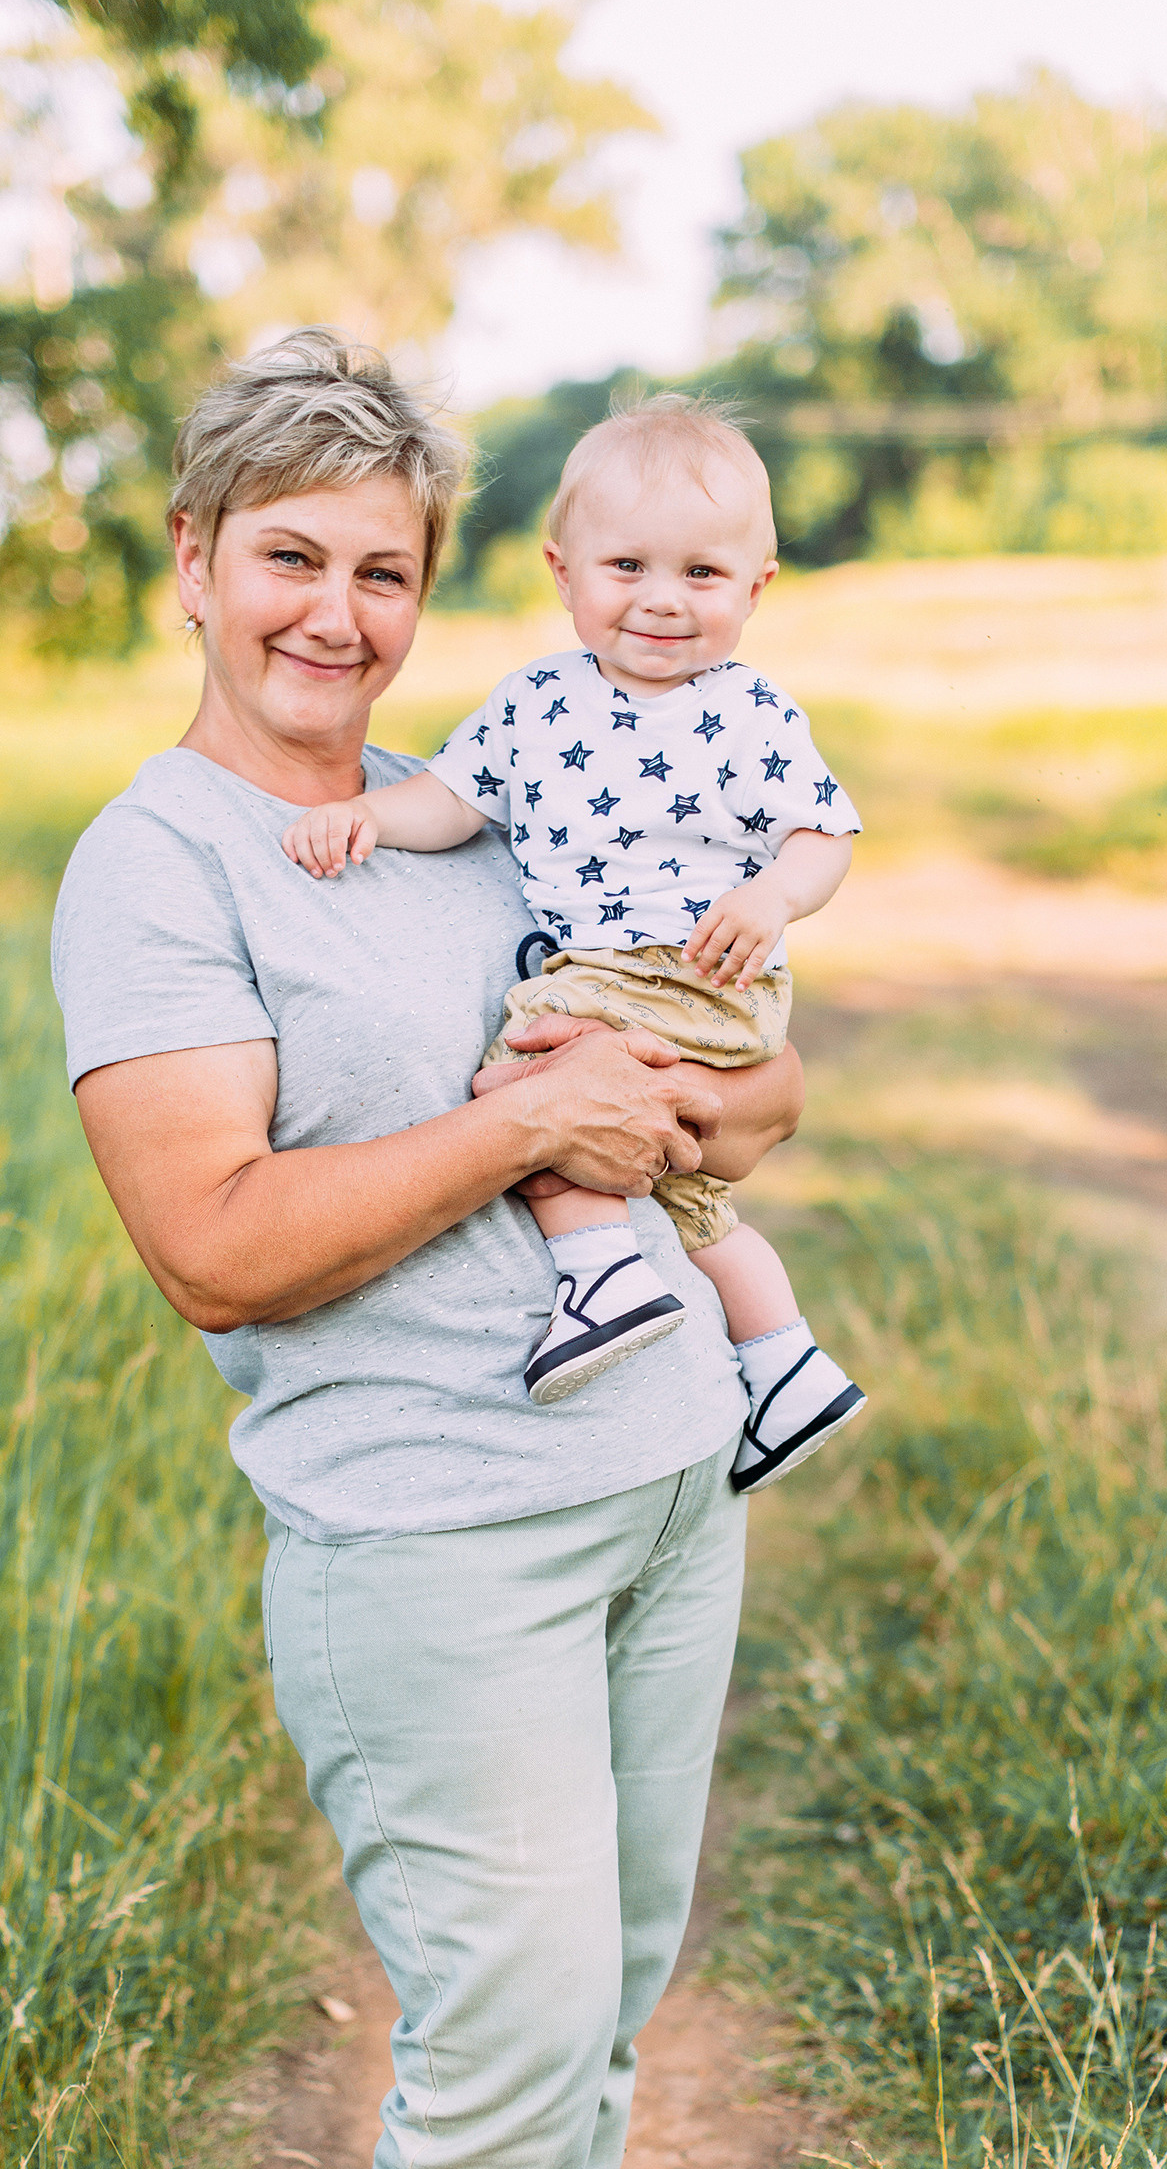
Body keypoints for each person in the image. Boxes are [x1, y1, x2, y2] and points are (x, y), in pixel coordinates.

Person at [49, 329, 807, 2169]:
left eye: (381, 571)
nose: (336, 613)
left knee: (604, 2012)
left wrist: (710, 1089)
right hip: (430, 1537)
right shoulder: (157, 867)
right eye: (289, 557)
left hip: (659, 1484)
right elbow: (214, 1245)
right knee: (502, 2024)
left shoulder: (487, 797)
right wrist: (524, 1131)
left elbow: (744, 1091)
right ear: (194, 562)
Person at [279, 394, 867, 1491]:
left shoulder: (747, 711)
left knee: (525, 1072)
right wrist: (368, 817)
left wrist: (775, 898)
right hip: (627, 983)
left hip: (694, 970)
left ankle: (600, 1275)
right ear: (563, 572)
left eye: (701, 573)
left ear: (756, 587)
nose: (661, 599)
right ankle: (786, 1363)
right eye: (626, 566)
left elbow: (823, 834)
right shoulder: (536, 703)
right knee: (693, 1202)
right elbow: (452, 800)